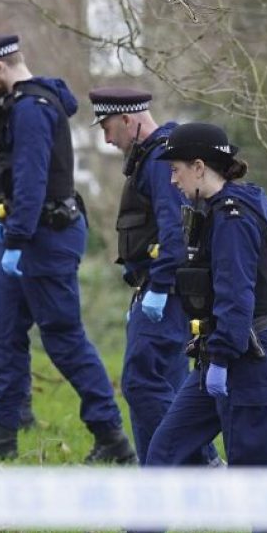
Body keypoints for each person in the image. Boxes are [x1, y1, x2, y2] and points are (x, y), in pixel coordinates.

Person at [79, 122, 267, 533]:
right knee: (167, 443)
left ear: (200, 168)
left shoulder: (234, 218)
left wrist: (221, 357)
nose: (172, 179)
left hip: (249, 354)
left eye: (178, 169)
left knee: (253, 463)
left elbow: (237, 297)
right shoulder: (214, 211)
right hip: (221, 353)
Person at [0, 34, 136, 463]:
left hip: (45, 238)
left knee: (63, 339)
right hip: (25, 235)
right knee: (0, 334)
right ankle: (3, 431)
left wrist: (17, 237)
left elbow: (32, 179)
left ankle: (110, 436)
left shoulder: (31, 110)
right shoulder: (17, 105)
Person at [87, 86, 218, 465]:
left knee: (142, 384)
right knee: (170, 388)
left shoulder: (162, 158)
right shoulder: (155, 157)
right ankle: (174, 477)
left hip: (168, 290)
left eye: (108, 127)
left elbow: (176, 228)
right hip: (159, 288)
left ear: (129, 119)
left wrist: (158, 287)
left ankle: (195, 466)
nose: (107, 139)